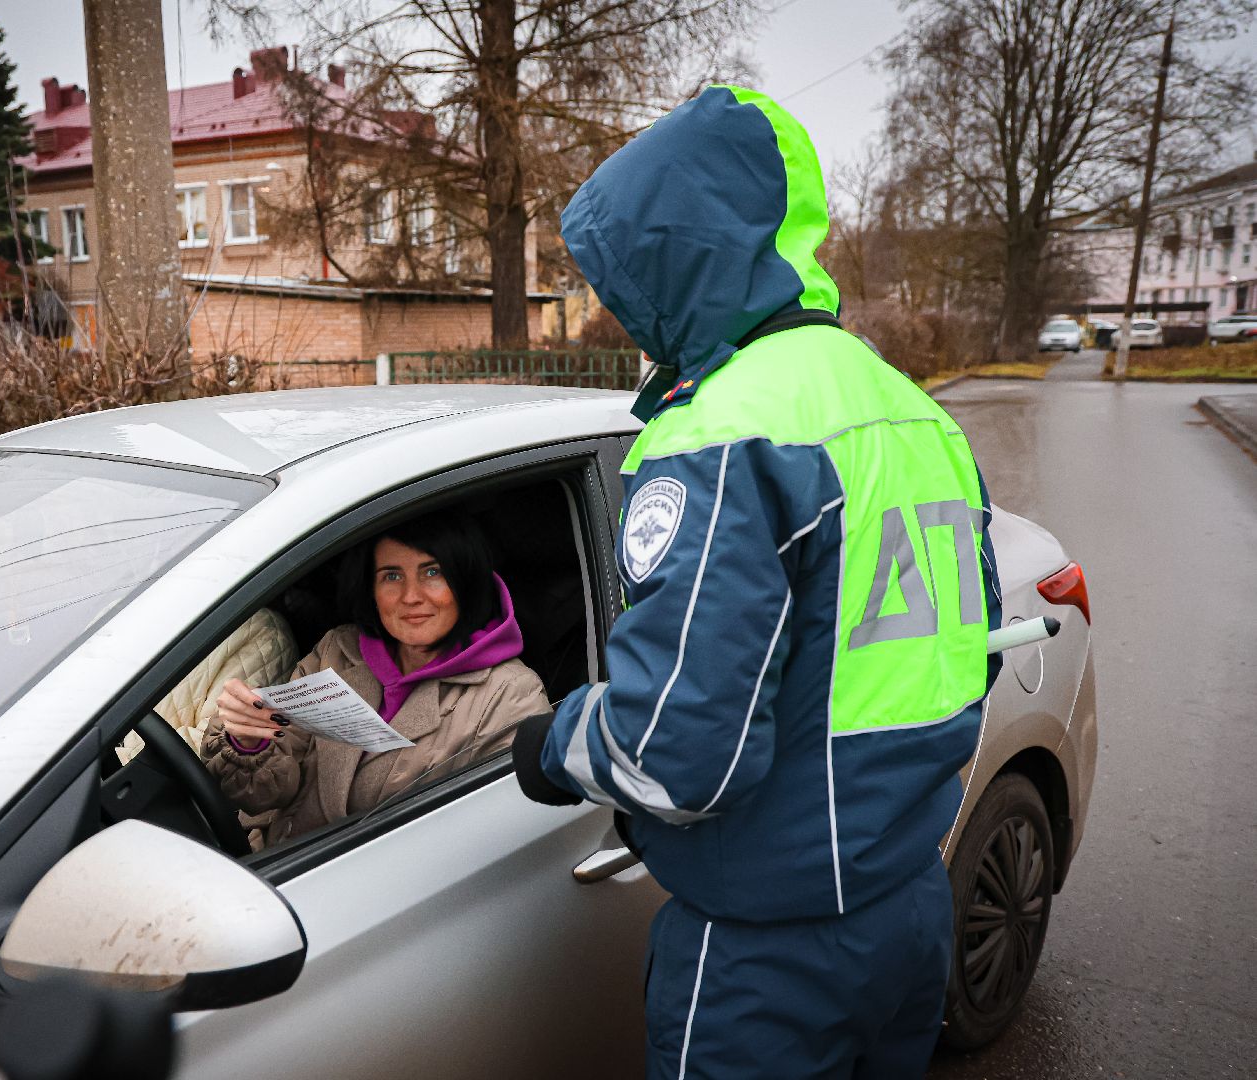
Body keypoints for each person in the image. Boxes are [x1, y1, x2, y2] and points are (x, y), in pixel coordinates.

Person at [511, 86, 1003, 1079]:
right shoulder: (914, 413)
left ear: (672, 257)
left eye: (624, 277)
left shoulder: (726, 433)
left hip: (770, 958)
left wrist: (555, 741)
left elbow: (676, 756)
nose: (619, 309)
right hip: (912, 909)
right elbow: (972, 650)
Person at [202, 512, 548, 848]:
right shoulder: (338, 651)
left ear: (466, 581)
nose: (411, 596)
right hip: (269, 865)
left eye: (432, 572)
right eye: (392, 576)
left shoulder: (510, 695)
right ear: (371, 588)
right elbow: (263, 794)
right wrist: (249, 740)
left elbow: (497, 842)